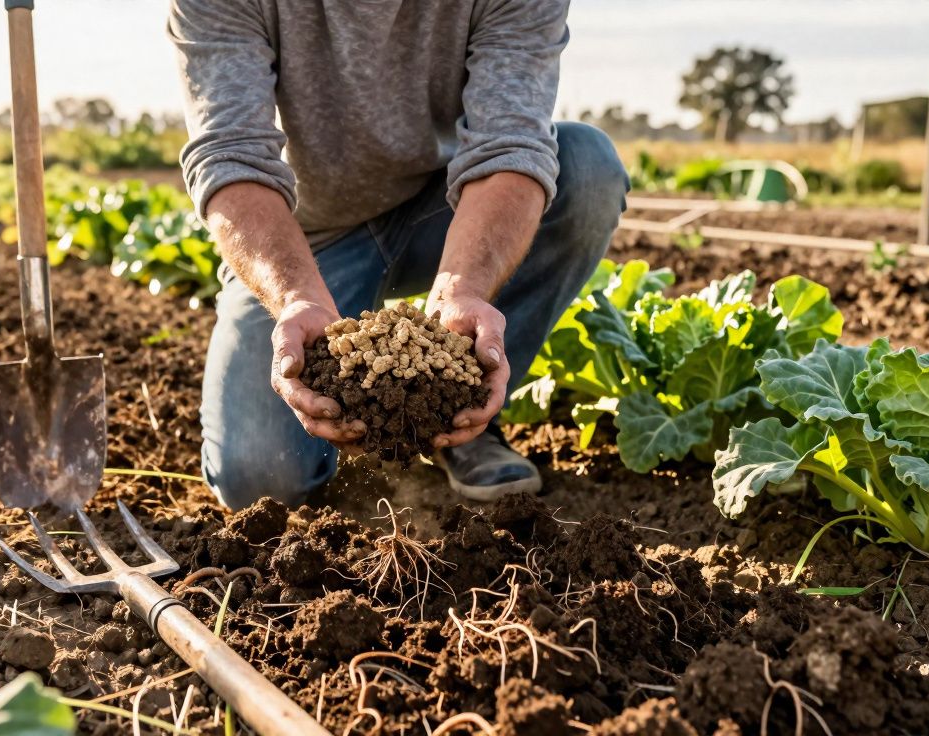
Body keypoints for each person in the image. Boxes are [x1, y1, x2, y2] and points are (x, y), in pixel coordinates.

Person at [168, 0, 627, 510]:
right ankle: (355, 418)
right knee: (259, 481)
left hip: (447, 214)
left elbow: (510, 145)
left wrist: (464, 290)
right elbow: (231, 156)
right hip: (307, 237)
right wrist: (296, 297)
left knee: (586, 170)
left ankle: (463, 412)